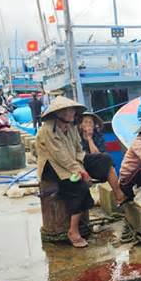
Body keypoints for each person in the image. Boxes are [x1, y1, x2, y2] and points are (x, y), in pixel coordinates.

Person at [36, 96, 125, 248]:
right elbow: (60, 157)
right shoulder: (47, 131)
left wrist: (83, 168)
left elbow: (78, 151)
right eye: (68, 110)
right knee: (79, 187)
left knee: (104, 159)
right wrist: (82, 173)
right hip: (53, 167)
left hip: (73, 162)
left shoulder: (71, 127)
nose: (72, 112)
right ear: (59, 113)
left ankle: (118, 194)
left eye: (72, 110)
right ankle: (73, 231)